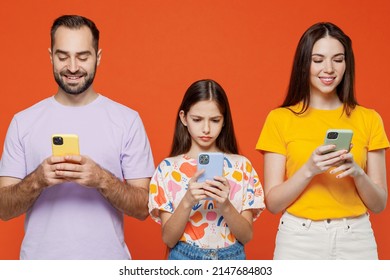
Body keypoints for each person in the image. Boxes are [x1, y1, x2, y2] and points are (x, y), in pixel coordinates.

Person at [0, 15, 155, 259]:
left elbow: (144, 207)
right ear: (51, 56)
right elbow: (4, 209)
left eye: (83, 57)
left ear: (98, 57)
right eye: (63, 57)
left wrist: (101, 178)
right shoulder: (23, 122)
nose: (73, 67)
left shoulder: (127, 120)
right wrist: (38, 180)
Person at [256, 22, 389, 259]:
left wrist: (357, 172)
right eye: (318, 60)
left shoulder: (369, 119)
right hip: (298, 239)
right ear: (304, 63)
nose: (328, 68)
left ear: (347, 64)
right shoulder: (280, 119)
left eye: (338, 59)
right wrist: (310, 169)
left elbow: (379, 204)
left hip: (356, 238)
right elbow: (273, 203)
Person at [148, 79, 265, 260]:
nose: (206, 129)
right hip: (184, 258)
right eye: (197, 119)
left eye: (215, 120)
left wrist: (225, 204)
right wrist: (187, 200)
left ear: (224, 120)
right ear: (183, 118)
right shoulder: (167, 170)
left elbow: (247, 236)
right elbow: (168, 239)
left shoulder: (242, 167)